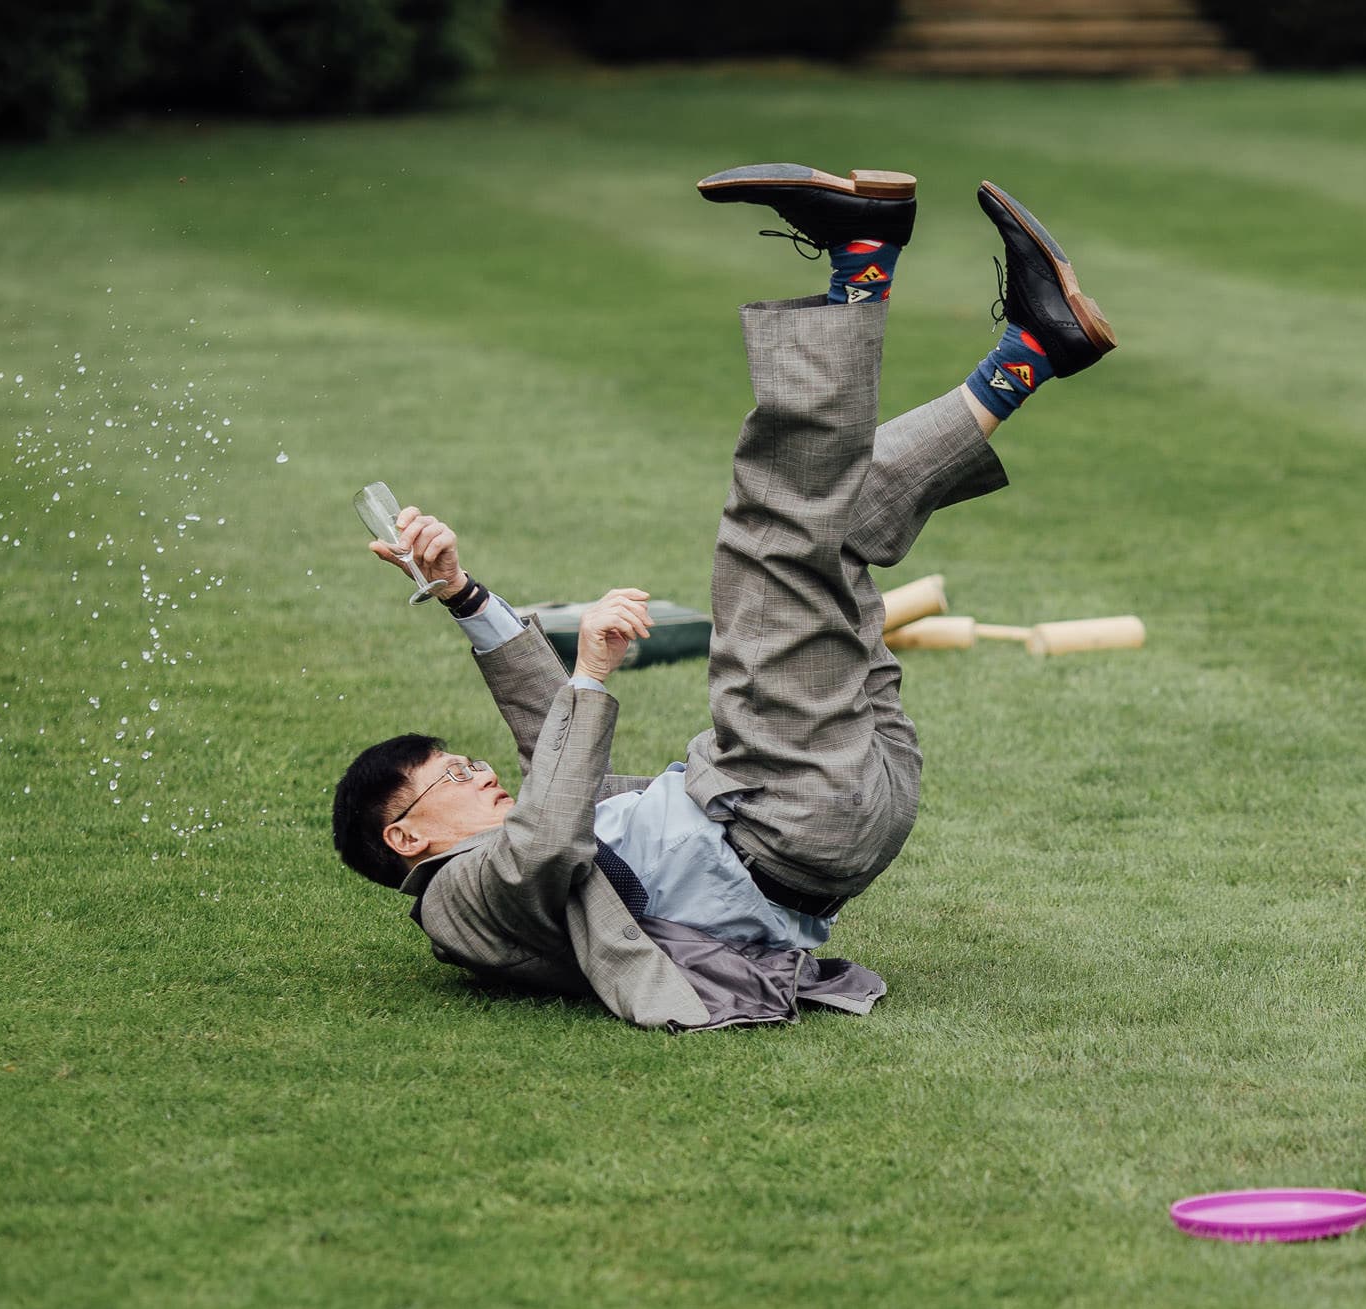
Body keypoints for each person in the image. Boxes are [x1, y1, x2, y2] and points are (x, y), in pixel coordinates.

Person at [331, 165, 1116, 1031]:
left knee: (831, 523)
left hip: (826, 800)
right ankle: (861, 262)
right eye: (450, 774)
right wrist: (591, 670)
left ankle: (1036, 348)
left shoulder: (518, 856)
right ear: (405, 838)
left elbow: (544, 743)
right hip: (784, 817)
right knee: (769, 535)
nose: (479, 769)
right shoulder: (458, 903)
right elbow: (546, 833)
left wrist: (461, 594)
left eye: (466, 761)